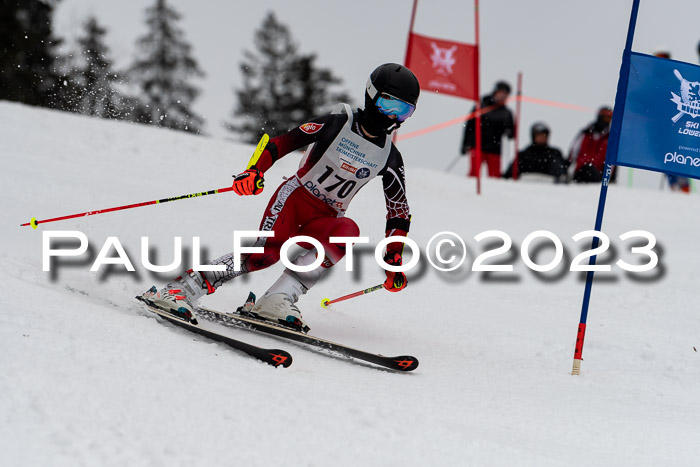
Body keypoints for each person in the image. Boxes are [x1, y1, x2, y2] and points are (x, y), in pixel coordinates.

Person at [141, 63, 419, 333]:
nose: (393, 116)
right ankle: (183, 288)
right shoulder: (339, 123)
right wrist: (254, 171)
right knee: (265, 254)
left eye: (404, 111)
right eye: (388, 104)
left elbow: (399, 211)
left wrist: (393, 255)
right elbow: (281, 143)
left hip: (328, 217)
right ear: (371, 95)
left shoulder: (390, 156)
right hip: (295, 199)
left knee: (347, 232)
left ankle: (277, 299)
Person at [460, 81, 515, 177]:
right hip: (477, 145)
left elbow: (512, 132)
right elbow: (468, 125)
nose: (503, 96)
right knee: (474, 174)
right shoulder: (481, 106)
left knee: (495, 176)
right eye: (501, 93)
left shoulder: (507, 113)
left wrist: (510, 132)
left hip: (494, 148)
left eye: (506, 95)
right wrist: (465, 144)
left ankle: (493, 192)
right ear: (495, 92)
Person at [502, 122, 566, 182]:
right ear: (533, 136)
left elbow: (562, 173)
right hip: (525, 188)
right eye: (539, 135)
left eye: (544, 135)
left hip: (550, 188)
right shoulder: (523, 155)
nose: (541, 138)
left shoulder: (555, 154)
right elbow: (510, 174)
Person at [567, 106, 614, 183]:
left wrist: (610, 179)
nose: (606, 121)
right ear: (599, 117)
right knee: (587, 169)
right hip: (579, 173)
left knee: (591, 170)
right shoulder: (585, 134)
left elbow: (612, 162)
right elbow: (573, 152)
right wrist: (567, 170)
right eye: (605, 118)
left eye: (609, 119)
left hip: (598, 177)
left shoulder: (610, 139)